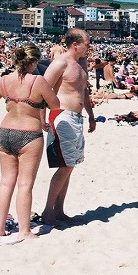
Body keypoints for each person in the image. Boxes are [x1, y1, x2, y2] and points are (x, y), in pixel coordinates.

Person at [0, 42, 59, 239]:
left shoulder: (5, 81)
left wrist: (6, 95)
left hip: (5, 132)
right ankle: (24, 230)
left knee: (6, 182)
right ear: (34, 62)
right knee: (25, 184)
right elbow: (55, 104)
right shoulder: (37, 81)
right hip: (29, 134)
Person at [41, 28, 97, 228]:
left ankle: (59, 210)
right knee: (65, 165)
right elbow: (42, 89)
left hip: (77, 117)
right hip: (61, 116)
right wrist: (43, 118)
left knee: (70, 165)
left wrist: (90, 116)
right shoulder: (60, 63)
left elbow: (83, 93)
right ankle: (48, 211)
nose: (89, 47)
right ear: (76, 44)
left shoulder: (81, 65)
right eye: (87, 43)